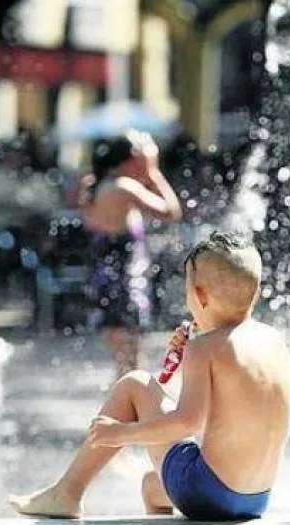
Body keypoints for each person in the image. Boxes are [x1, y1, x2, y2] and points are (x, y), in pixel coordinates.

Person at [8, 231, 290, 520]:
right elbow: (233, 417)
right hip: (256, 499)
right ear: (256, 293)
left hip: (209, 491)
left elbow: (188, 422)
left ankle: (67, 494)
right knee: (152, 485)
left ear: (199, 294)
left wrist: (121, 433)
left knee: (134, 384)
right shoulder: (274, 341)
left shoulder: (205, 349)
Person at [78, 131, 183, 379]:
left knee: (126, 363)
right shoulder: (124, 187)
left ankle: (126, 413)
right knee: (131, 365)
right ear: (134, 157)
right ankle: (127, 414)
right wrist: (155, 174)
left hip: (104, 282)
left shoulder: (96, 184)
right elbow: (171, 211)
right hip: (122, 284)